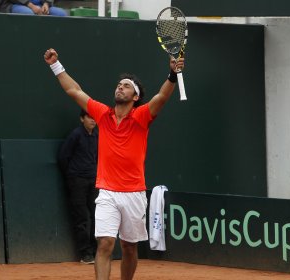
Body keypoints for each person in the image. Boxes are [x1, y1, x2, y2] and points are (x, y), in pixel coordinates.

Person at [44, 48, 185, 280]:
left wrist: (171, 76)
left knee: (129, 247)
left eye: (126, 85)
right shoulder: (102, 114)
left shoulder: (141, 117)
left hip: (134, 193)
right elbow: (73, 90)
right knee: (106, 244)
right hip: (107, 192)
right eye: (119, 84)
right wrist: (55, 65)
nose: (120, 87)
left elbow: (161, 98)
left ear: (136, 96)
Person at [58, 109, 99, 264]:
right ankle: (85, 254)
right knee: (82, 217)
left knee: (96, 216)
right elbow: (63, 157)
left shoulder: (96, 135)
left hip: (93, 181)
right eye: (89, 117)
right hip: (77, 181)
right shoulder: (75, 135)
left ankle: (97, 252)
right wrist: (72, 175)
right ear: (82, 119)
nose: (93, 120)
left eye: (95, 118)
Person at [0, 0, 67, 16]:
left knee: (61, 14)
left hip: (40, 5)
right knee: (28, 14)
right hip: (15, 4)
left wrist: (46, 3)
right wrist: (31, 6)